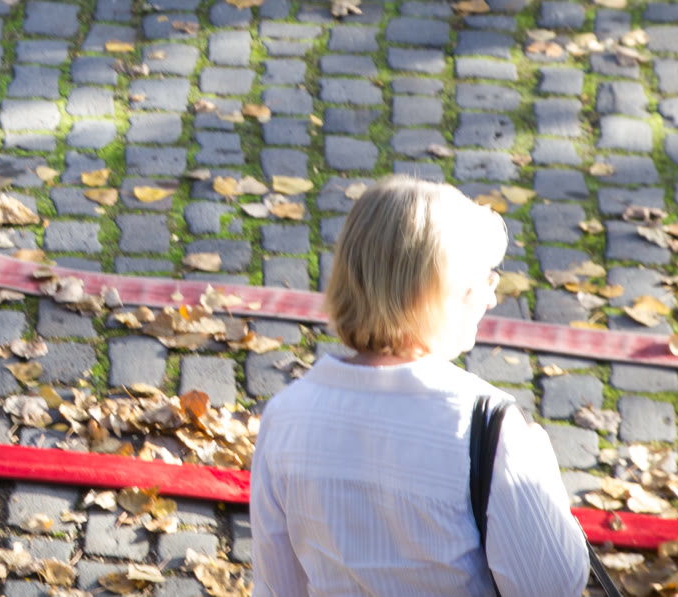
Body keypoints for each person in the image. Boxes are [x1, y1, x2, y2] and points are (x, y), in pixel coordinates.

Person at [250, 176, 589, 595]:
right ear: (442, 291)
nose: (490, 298)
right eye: (485, 279)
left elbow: (277, 586)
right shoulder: (487, 427)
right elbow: (554, 586)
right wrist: (539, 468)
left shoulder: (286, 416)